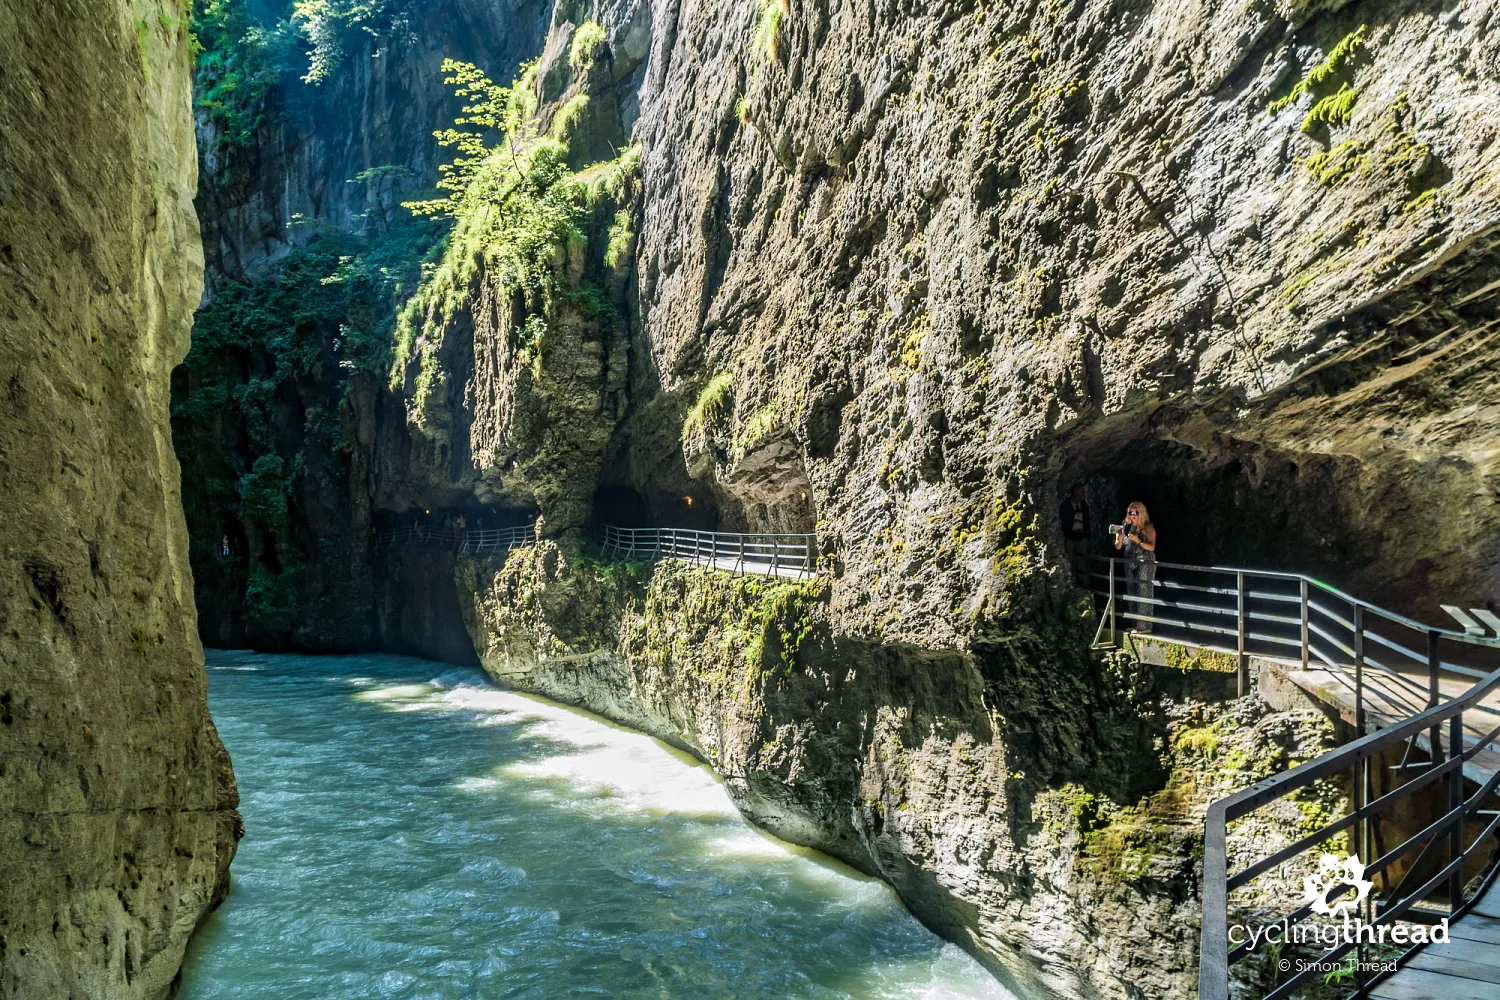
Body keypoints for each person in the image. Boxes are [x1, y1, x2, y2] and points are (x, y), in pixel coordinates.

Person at [1113, 501, 1157, 633]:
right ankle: (1135, 624)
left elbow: (1152, 547)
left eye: (1136, 512)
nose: (1133, 515)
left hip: (1145, 562)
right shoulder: (1123, 526)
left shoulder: (1148, 527)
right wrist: (1119, 537)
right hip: (1129, 562)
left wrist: (1138, 540)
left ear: (1141, 514)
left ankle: (1144, 626)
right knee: (1132, 591)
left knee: (1144, 591)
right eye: (1130, 512)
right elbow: (1117, 546)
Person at [1058, 483, 1091, 586]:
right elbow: (1064, 522)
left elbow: (1087, 522)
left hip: (1081, 538)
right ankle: (1072, 585)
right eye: (1080, 491)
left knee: (1082, 562)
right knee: (1069, 562)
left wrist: (1087, 536)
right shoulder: (1066, 505)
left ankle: (1084, 585)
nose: (1082, 494)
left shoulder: (1084, 506)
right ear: (1074, 492)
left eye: (1082, 492)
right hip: (1070, 538)